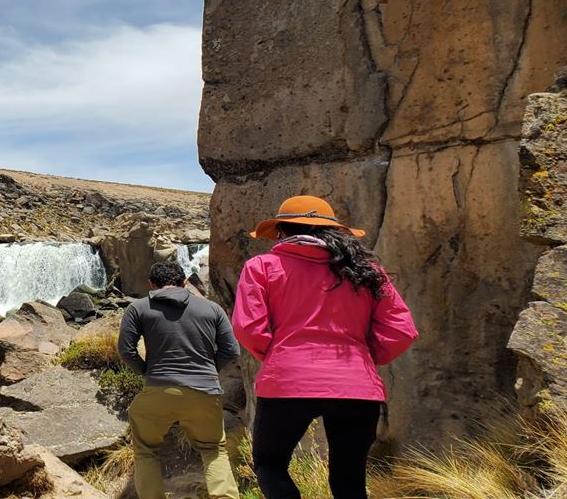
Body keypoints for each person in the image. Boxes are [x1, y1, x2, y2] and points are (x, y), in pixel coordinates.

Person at [232, 195, 418, 499]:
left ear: (281, 231)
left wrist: (280, 356)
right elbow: (401, 330)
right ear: (335, 232)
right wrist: (365, 359)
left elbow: (247, 327)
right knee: (349, 479)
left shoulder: (262, 266)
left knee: (270, 465)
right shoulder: (366, 270)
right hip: (357, 386)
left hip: (288, 382)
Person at [118, 261, 241, 499]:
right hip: (204, 392)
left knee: (146, 451)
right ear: (185, 282)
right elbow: (231, 349)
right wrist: (207, 370)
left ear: (151, 284)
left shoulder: (138, 308)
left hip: (158, 389)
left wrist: (146, 372)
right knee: (213, 450)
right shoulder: (212, 309)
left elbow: (126, 350)